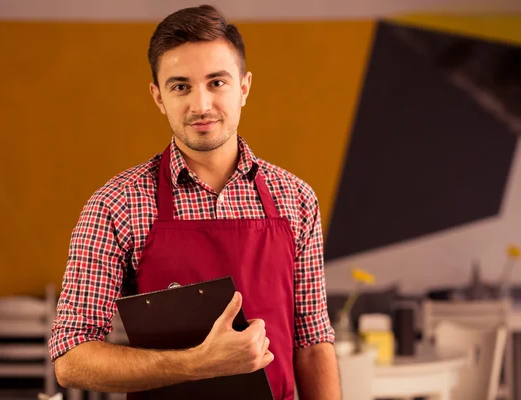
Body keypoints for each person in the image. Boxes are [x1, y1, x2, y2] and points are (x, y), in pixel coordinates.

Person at [49, 4, 340, 399]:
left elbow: (313, 340)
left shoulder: (296, 199)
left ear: (244, 87)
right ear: (158, 96)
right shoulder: (116, 204)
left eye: (217, 82)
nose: (201, 106)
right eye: (180, 86)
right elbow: (70, 356)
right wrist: (198, 363)